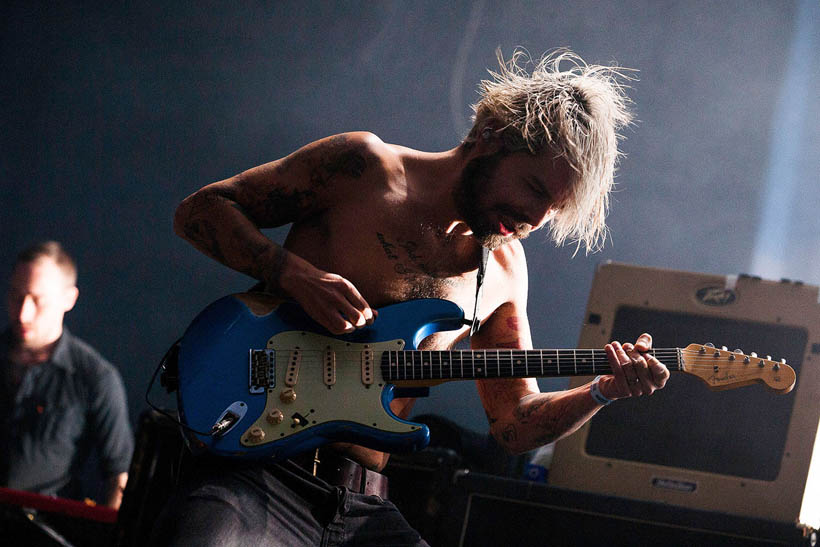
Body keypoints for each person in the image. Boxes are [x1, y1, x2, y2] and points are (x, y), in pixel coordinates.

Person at [162, 50, 670, 545]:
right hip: (258, 474)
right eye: (534, 188)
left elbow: (514, 424)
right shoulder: (362, 168)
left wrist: (602, 391)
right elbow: (200, 212)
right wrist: (293, 274)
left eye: (552, 209)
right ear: (492, 136)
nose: (532, 220)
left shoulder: (504, 269)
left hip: (360, 504)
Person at [1, 241, 133, 509]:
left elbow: (120, 476)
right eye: (16, 296)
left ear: (68, 299)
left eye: (38, 301)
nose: (24, 313)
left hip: (44, 531)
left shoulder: (96, 378)